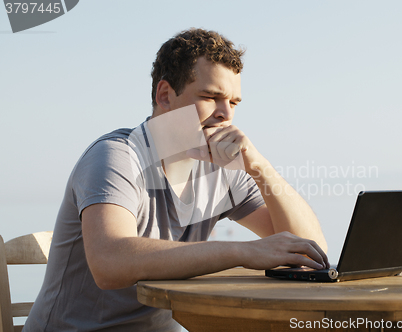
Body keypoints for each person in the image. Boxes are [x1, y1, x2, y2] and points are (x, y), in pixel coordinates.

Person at [24, 28, 328, 332]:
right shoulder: (116, 157)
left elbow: (309, 252)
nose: (226, 114)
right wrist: (243, 252)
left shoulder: (223, 169)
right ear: (165, 96)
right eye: (211, 97)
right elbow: (109, 264)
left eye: (234, 103)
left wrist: (260, 166)